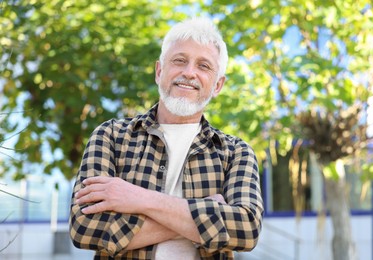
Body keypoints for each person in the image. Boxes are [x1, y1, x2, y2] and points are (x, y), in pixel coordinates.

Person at [69, 17, 264, 260]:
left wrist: (138, 198)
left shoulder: (237, 152)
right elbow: (84, 229)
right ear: (159, 71)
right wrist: (203, 213)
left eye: (204, 66)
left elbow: (245, 230)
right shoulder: (110, 136)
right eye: (179, 60)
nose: (189, 72)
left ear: (217, 85)